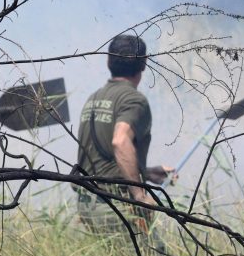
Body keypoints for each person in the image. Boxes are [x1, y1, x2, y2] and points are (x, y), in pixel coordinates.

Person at [74, 34, 173, 234]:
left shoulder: (94, 98)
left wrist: (145, 172)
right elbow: (120, 141)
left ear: (109, 61)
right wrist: (139, 195)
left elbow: (103, 158)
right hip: (115, 206)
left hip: (87, 203)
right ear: (144, 65)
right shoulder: (134, 100)